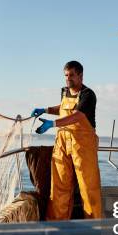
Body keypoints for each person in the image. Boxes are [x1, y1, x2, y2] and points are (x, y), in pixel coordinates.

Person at [31, 60, 102, 220]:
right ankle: (57, 224)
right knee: (59, 186)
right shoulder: (64, 91)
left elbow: (77, 115)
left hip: (83, 145)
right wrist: (46, 110)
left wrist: (53, 124)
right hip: (62, 143)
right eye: (66, 75)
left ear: (80, 76)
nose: (68, 79)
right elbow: (63, 108)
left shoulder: (88, 95)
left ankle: (95, 226)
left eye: (71, 75)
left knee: (88, 187)